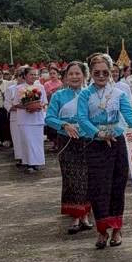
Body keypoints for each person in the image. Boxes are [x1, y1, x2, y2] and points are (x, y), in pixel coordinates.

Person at [76, 53, 132, 249]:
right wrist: (98, 133)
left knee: (117, 187)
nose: (101, 76)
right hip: (95, 145)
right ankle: (101, 230)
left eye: (105, 72)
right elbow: (82, 119)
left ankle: (116, 229)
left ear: (111, 72)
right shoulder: (85, 94)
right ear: (91, 73)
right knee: (98, 189)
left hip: (117, 145)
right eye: (97, 72)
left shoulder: (119, 94)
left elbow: (130, 116)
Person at [45, 61, 94, 235]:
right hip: (67, 142)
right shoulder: (59, 96)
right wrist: (64, 125)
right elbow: (49, 118)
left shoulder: (91, 95)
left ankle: (85, 215)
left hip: (88, 141)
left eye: (77, 74)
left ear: (84, 76)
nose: (74, 77)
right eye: (71, 74)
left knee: (87, 178)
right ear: (65, 77)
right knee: (71, 179)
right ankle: (74, 216)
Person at [14, 66, 48, 173]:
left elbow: (44, 102)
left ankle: (37, 163)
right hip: (25, 119)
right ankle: (29, 164)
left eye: (35, 74)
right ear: (25, 76)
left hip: (37, 119)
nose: (33, 76)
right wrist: (27, 107)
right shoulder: (19, 88)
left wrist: (39, 107)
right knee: (27, 141)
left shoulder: (40, 87)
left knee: (37, 142)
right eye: (31, 74)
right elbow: (15, 104)